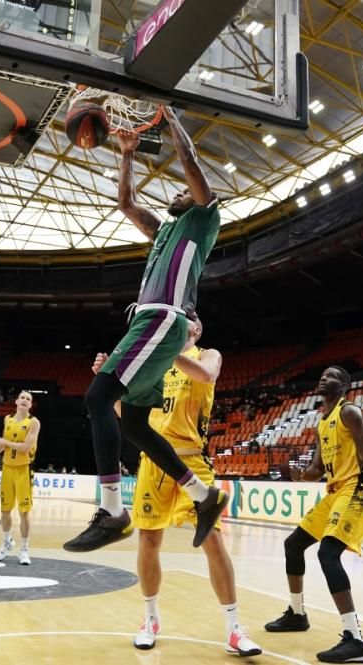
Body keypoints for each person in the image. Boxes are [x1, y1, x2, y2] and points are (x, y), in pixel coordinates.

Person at [64, 109, 227, 553]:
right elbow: (126, 204)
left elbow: (190, 162)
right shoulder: (164, 231)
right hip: (149, 321)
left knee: (98, 398)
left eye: (182, 191)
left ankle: (114, 511)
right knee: (135, 424)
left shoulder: (204, 219)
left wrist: (169, 113)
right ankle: (203, 495)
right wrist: (127, 154)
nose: (176, 192)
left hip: (163, 317)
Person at [93, 317, 261, 657]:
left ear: (196, 329)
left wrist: (162, 352)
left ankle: (233, 627)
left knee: (212, 539)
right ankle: (150, 619)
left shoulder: (207, 355)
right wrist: (107, 382)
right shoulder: (152, 368)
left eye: (183, 321)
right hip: (153, 464)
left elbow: (208, 375)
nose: (172, 324)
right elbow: (129, 416)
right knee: (149, 539)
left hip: (192, 461)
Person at [264, 366, 363, 664]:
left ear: (344, 386)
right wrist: (296, 474)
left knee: (328, 554)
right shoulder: (322, 423)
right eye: (322, 375)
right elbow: (315, 471)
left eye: (333, 376)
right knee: (293, 545)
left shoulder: (349, 412)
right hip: (336, 490)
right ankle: (297, 614)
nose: (324, 378)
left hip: (358, 488)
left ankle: (356, 640)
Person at [0, 390, 40, 566]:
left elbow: (25, 447)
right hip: (7, 469)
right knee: (4, 511)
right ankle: (6, 542)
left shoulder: (33, 422)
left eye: (28, 399)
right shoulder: (7, 419)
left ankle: (24, 549)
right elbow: (3, 446)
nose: (25, 400)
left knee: (24, 512)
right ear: (16, 401)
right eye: (22, 398)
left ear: (30, 405)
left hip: (24, 470)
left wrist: (5, 443)